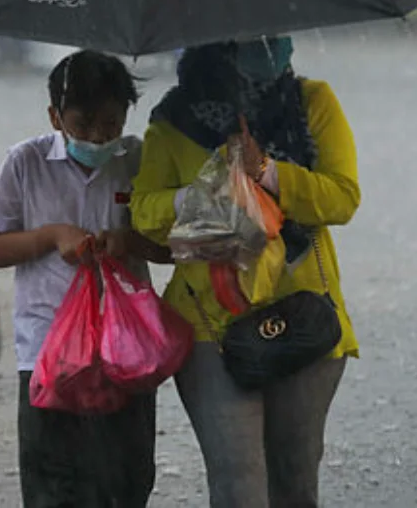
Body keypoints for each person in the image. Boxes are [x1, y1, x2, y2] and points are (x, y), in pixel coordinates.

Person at [131, 37, 360, 508]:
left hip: (303, 314)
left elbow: (342, 197)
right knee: (239, 485)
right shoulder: (174, 120)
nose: (272, 47)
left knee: (295, 482)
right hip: (209, 322)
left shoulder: (312, 103)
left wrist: (267, 172)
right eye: (254, 39)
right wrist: (199, 194)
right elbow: (144, 211)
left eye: (276, 36)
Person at [0, 50, 170, 508]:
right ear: (55, 116)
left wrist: (129, 242)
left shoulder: (137, 160)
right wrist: (49, 236)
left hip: (125, 350)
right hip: (48, 353)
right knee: (53, 482)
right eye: (82, 126)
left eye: (110, 124)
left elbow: (171, 248)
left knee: (126, 478)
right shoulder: (25, 163)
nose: (97, 137)